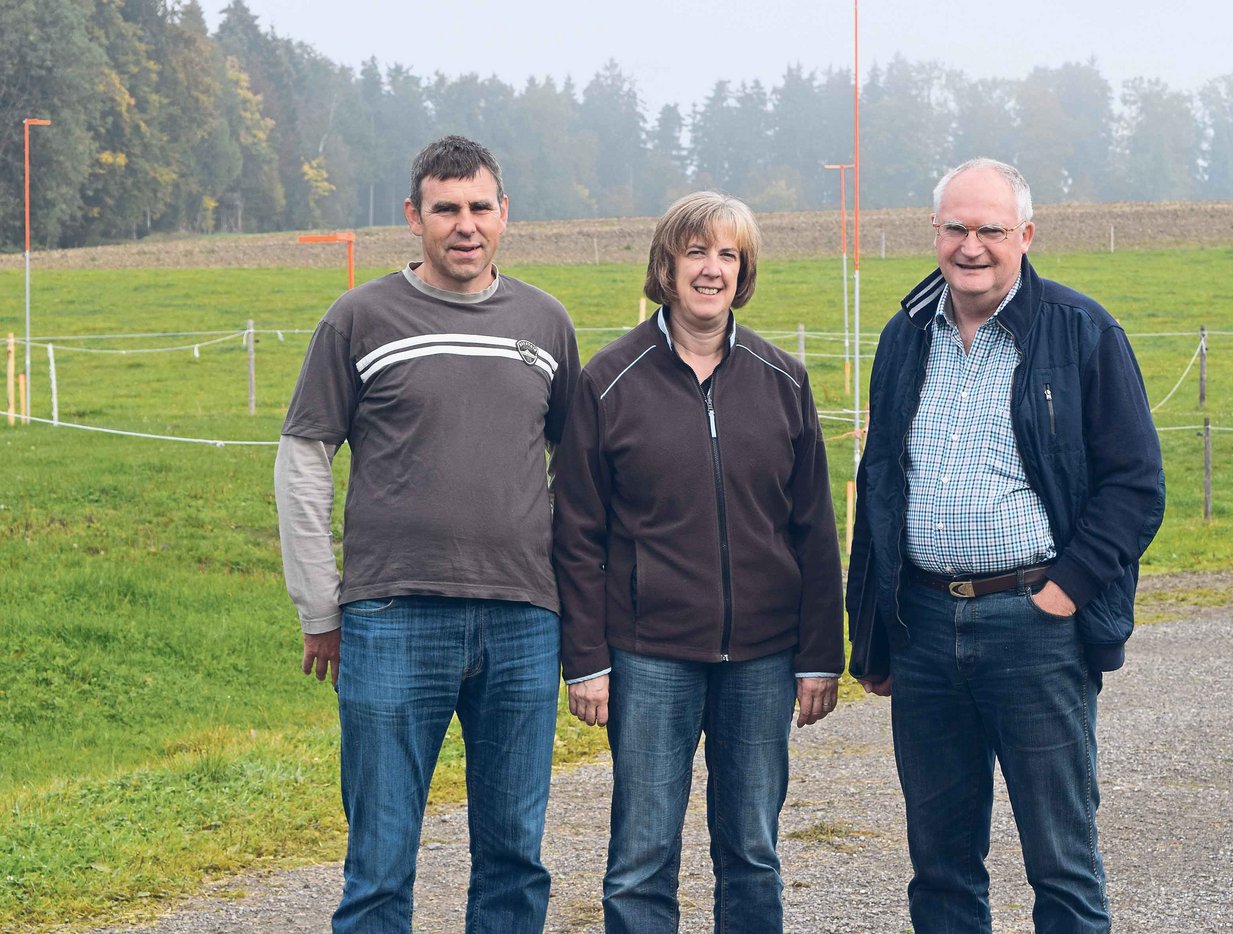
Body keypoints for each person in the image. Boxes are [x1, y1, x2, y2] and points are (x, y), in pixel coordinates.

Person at [846, 158, 1165, 933]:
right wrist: (874, 637)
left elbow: (1135, 484)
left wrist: (1065, 591)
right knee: (941, 868)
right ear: (934, 232)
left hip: (1034, 627)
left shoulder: (1081, 331)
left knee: (1061, 864)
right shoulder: (904, 335)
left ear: (1026, 234)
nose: (971, 245)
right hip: (924, 628)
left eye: (990, 229)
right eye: (955, 228)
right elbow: (880, 483)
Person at [274, 135, 579, 932]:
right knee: (380, 864)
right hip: (392, 618)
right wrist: (319, 604)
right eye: (446, 209)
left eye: (479, 207)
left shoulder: (546, 323)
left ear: (504, 213)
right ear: (414, 216)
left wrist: (578, 602)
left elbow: (579, 472)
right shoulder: (359, 318)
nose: (464, 225)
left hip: (522, 621)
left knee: (514, 859)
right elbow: (303, 459)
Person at [551, 191, 844, 933]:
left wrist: (820, 656)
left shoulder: (784, 380)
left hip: (764, 658)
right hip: (649, 656)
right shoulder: (609, 380)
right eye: (696, 252)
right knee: (642, 856)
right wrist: (585, 660)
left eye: (728, 255)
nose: (711, 269)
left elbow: (814, 529)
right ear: (667, 265)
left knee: (752, 852)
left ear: (743, 272)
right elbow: (577, 533)